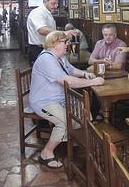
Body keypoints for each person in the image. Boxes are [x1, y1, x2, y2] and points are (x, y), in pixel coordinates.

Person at [29, 31, 104, 169]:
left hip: (59, 98)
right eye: (65, 42)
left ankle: (78, 140)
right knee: (63, 121)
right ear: (54, 43)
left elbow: (71, 70)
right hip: (44, 101)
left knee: (83, 110)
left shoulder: (59, 57)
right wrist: (92, 83)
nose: (67, 44)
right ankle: (46, 153)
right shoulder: (46, 59)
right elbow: (67, 81)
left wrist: (85, 74)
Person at [26, 0, 76, 64]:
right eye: (53, 3)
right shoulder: (37, 12)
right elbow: (41, 30)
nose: (56, 6)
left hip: (48, 48)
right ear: (45, 2)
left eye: (57, 4)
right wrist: (63, 33)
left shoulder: (47, 13)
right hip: (38, 49)